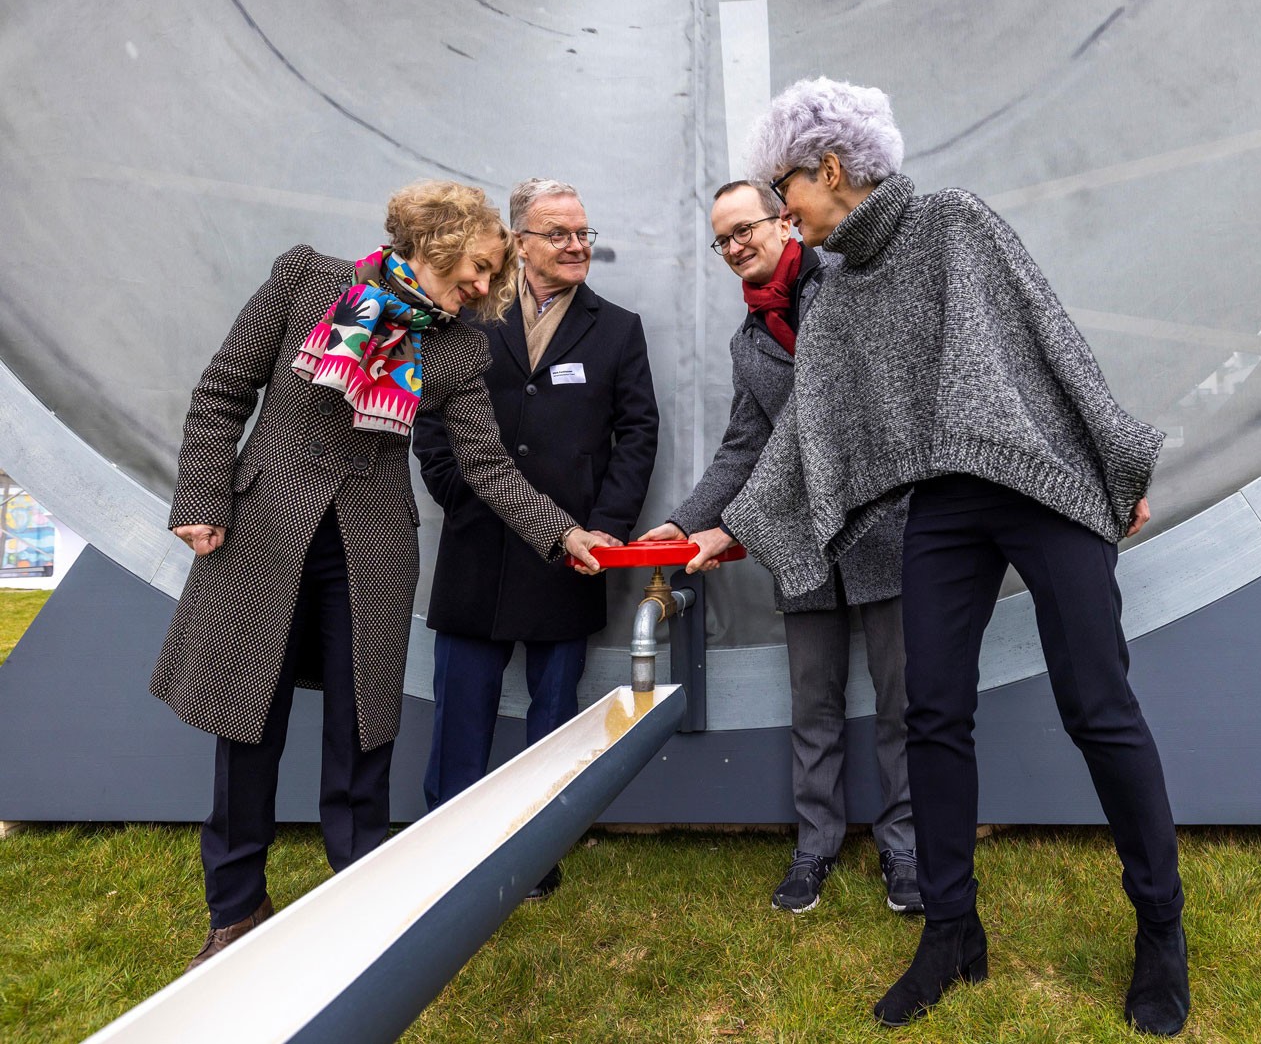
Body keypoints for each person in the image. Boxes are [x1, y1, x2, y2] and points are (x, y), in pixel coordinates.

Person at [720, 78, 1189, 1034]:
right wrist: (733, 523)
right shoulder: (840, 288)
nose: (783, 210)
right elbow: (809, 422)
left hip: (1038, 482)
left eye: (785, 189)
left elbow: (1051, 337)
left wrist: (1112, 458)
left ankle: (1161, 931)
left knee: (1097, 706)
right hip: (943, 507)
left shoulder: (953, 222)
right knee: (931, 713)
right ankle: (950, 933)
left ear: (833, 168)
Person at [150, 180, 610, 972]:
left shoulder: (458, 347)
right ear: (435, 238)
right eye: (474, 269)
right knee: (245, 721)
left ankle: (359, 897)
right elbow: (223, 390)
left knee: (361, 732)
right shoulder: (306, 279)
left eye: (490, 278)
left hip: (371, 547)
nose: (480, 289)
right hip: (262, 531)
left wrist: (562, 531)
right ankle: (235, 908)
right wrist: (201, 493)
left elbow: (487, 467)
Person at [640, 180, 918, 915]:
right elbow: (745, 447)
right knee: (814, 706)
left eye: (745, 230)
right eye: (722, 239)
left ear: (786, 223)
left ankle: (907, 850)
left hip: (882, 527)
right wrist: (685, 519)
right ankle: (815, 846)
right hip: (801, 542)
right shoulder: (749, 341)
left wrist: (731, 525)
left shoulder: (846, 284)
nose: (735, 247)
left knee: (903, 705)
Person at [412, 176, 658, 900]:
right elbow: (430, 422)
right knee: (462, 710)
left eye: (583, 232)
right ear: (519, 242)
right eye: (560, 233)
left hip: (571, 558)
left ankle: (537, 851)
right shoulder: (464, 319)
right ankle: (450, 847)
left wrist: (604, 531)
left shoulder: (617, 328)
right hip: (477, 548)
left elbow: (638, 435)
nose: (578, 245)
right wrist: (459, 496)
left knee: (554, 718)